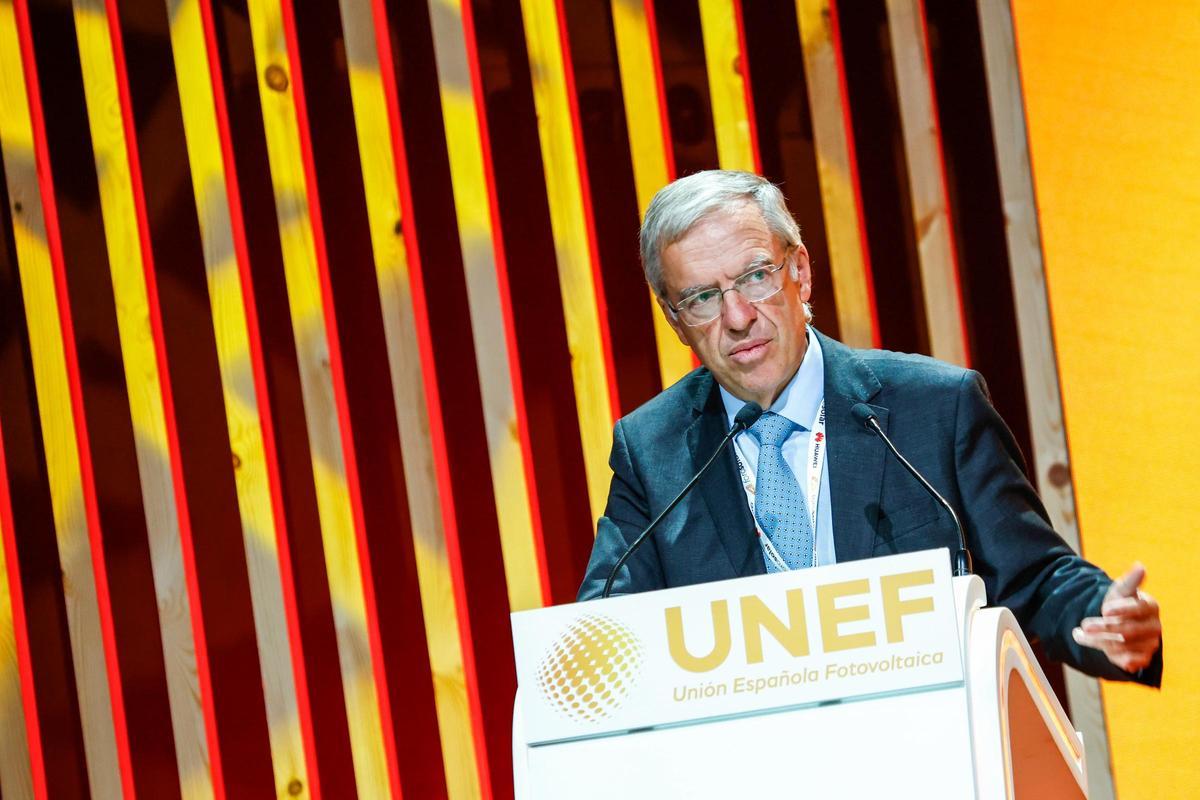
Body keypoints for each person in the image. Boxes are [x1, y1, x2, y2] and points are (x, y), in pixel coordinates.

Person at [577, 170, 1161, 684]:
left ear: (799, 272)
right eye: (703, 296)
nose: (737, 317)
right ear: (675, 319)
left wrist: (1103, 615)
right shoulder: (653, 452)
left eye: (756, 276)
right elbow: (603, 633)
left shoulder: (932, 409)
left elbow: (1035, 577)